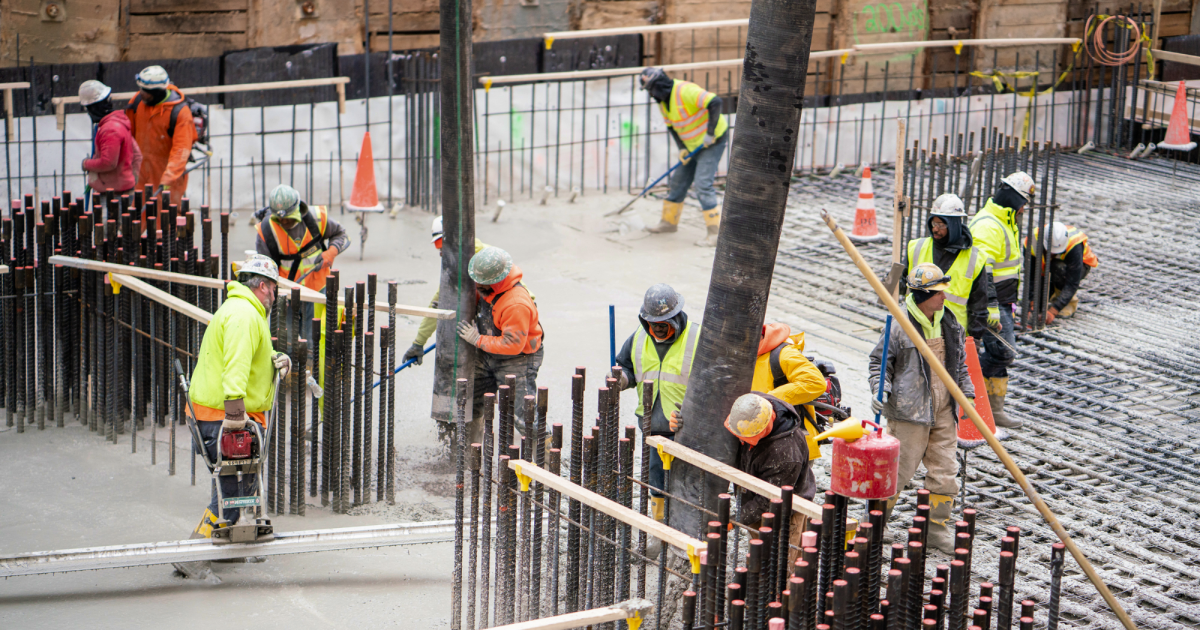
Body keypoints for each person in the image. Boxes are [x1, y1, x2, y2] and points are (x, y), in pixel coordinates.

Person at [182, 255, 290, 560]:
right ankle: (195, 554)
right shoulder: (244, 314)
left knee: (234, 490)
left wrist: (276, 359)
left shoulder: (240, 309)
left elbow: (249, 357)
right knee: (231, 494)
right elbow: (236, 367)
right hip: (222, 418)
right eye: (273, 290)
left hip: (216, 414)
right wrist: (234, 417)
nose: (274, 298)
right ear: (264, 287)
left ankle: (227, 549)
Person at [868, 263, 975, 554]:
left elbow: (961, 366)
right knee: (897, 472)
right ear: (922, 295)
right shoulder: (899, 324)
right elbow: (879, 363)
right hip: (909, 411)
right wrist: (881, 389)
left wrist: (967, 394)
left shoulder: (950, 322)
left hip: (944, 409)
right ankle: (878, 521)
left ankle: (934, 528)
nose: (944, 296)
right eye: (939, 292)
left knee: (945, 472)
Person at [614, 283, 700, 521]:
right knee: (656, 477)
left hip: (686, 428)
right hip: (653, 425)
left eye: (663, 325)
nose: (658, 330)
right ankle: (660, 524)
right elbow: (627, 368)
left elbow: (711, 385)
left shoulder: (697, 338)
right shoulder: (639, 338)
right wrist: (620, 379)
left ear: (676, 317)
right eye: (653, 324)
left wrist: (693, 415)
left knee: (688, 480)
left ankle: (686, 524)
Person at [456, 246, 544, 445]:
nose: (475, 284)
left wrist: (478, 340)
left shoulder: (515, 303)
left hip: (518, 358)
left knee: (523, 415)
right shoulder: (488, 286)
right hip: (488, 354)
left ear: (494, 281)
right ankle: (471, 450)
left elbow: (512, 345)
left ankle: (545, 460)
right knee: (472, 402)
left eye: (479, 282)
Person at [968, 172, 1034, 429]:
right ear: (1015, 200)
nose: (1024, 209)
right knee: (1003, 351)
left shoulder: (1005, 221)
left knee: (1000, 353)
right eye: (1024, 203)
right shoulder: (988, 225)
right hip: (989, 302)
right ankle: (967, 397)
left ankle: (993, 410)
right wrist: (992, 307)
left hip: (1004, 301)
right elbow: (983, 271)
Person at [723, 392, 816, 566]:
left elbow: (768, 500)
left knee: (783, 567)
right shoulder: (749, 406)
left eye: (746, 439)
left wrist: (735, 519)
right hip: (754, 500)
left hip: (786, 512)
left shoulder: (785, 453)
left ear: (765, 427)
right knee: (761, 561)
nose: (741, 441)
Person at [638, 67, 729, 247]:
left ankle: (715, 233)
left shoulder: (685, 91)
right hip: (692, 146)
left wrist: (710, 133)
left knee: (703, 183)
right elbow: (672, 127)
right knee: (678, 181)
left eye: (650, 89)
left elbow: (715, 102)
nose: (650, 94)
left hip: (712, 141)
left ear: (658, 85)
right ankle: (668, 223)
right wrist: (682, 148)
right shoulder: (663, 102)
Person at [255, 184, 350, 339]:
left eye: (288, 219)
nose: (284, 223)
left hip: (317, 290)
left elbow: (341, 234)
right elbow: (265, 269)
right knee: (286, 342)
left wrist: (331, 252)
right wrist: (271, 293)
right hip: (286, 292)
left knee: (315, 339)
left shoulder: (317, 218)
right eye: (280, 219)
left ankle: (312, 362)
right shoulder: (266, 229)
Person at [904, 193, 997, 340]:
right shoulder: (916, 247)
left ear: (953, 225)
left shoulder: (975, 258)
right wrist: (889, 284)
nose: (935, 229)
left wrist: (974, 340)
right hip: (916, 329)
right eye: (933, 224)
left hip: (953, 336)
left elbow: (978, 305)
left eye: (941, 225)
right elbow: (898, 283)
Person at [402, 216, 490, 366]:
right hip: (486, 335)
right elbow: (437, 303)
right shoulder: (458, 266)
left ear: (454, 241)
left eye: (442, 247)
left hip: (510, 331)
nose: (440, 253)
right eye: (438, 247)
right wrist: (419, 342)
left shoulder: (486, 261)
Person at [751, 323, 829, 463]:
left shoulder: (783, 354)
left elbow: (815, 382)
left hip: (789, 443)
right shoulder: (744, 355)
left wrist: (768, 400)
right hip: (757, 438)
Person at [126, 65, 197, 198]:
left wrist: (169, 177)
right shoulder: (137, 102)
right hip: (139, 175)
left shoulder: (180, 112)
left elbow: (181, 149)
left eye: (146, 91)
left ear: (158, 91)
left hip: (166, 180)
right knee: (139, 215)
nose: (141, 93)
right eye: (140, 88)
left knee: (166, 216)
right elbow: (128, 133)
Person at [79, 80, 142, 198]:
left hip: (112, 195)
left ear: (93, 108)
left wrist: (86, 164)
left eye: (88, 109)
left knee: (110, 217)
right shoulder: (119, 122)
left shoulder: (109, 129)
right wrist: (131, 181)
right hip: (123, 191)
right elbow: (137, 155)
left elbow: (108, 163)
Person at [1034, 221, 1098, 323]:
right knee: (1048, 270)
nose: (1053, 254)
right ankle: (1051, 294)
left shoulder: (1074, 245)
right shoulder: (1034, 239)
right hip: (1054, 263)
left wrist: (1053, 311)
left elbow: (1072, 282)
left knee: (1058, 269)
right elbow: (1032, 275)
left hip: (1082, 264)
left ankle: (1068, 303)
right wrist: (1033, 304)